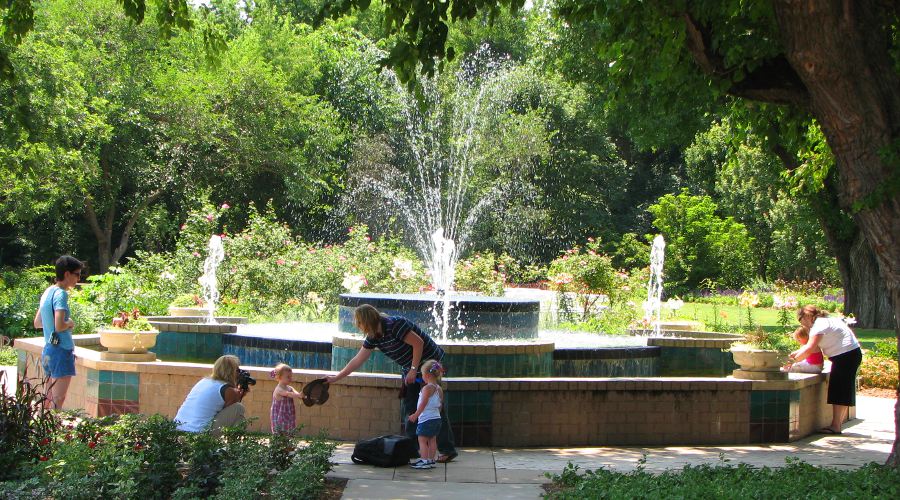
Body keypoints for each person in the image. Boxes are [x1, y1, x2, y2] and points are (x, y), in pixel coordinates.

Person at [325, 304, 458, 463]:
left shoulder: (394, 324)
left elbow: (418, 343)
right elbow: (357, 360)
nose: (358, 326)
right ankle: (414, 451)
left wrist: (413, 369)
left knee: (432, 407)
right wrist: (335, 378)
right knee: (410, 407)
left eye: (359, 323)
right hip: (412, 370)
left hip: (428, 366)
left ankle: (447, 450)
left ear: (367, 321)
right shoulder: (374, 336)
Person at [791, 305, 862, 434]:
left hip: (845, 356)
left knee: (839, 389)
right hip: (850, 354)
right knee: (842, 389)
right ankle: (837, 425)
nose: (802, 325)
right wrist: (795, 354)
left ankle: (835, 426)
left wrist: (792, 362)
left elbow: (811, 348)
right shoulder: (827, 320)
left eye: (801, 320)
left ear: (807, 316)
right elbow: (808, 346)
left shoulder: (818, 325)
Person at [33, 255, 83, 409]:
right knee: (58, 400)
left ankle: (42, 430)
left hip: (49, 350)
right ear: (67, 274)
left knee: (48, 397)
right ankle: (54, 432)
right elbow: (59, 325)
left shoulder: (48, 292)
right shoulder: (61, 294)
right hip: (61, 351)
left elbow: (37, 323)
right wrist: (69, 323)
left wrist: (53, 325)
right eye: (77, 274)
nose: (79, 278)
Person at [175, 355, 247, 433]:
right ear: (231, 372)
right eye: (238, 370)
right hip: (197, 435)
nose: (239, 373)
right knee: (239, 408)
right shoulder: (227, 389)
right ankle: (235, 442)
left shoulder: (204, 381)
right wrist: (239, 394)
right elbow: (230, 411)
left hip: (177, 431)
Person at [408, 359, 444, 470]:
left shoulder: (427, 388)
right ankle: (431, 460)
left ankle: (424, 460)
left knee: (422, 440)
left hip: (426, 419)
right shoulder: (439, 389)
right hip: (436, 418)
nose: (422, 377)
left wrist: (415, 415)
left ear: (427, 375)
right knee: (432, 440)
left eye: (422, 374)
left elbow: (423, 404)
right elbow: (440, 405)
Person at [270, 363, 307, 434]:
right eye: (288, 377)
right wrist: (298, 395)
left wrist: (301, 395)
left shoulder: (290, 388)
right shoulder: (279, 389)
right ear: (279, 377)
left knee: (289, 434)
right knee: (280, 435)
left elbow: (297, 394)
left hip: (289, 416)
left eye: (291, 376)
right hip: (279, 417)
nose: (291, 378)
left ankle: (288, 444)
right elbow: (287, 394)